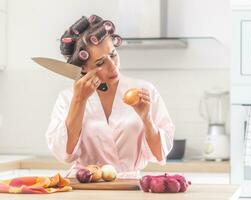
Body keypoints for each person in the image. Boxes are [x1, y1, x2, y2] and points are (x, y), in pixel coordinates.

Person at [45, 15, 174, 177]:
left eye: (113, 55)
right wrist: (79, 100)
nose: (113, 67)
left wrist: (146, 118)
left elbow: (159, 154)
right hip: (87, 186)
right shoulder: (67, 98)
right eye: (100, 63)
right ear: (83, 67)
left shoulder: (144, 91)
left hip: (130, 186)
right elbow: (65, 153)